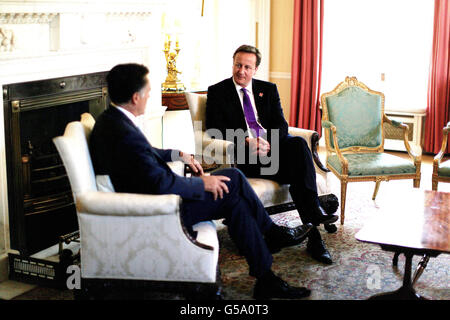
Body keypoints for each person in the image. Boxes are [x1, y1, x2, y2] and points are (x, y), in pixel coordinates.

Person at [89, 63, 315, 299]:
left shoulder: (113, 121)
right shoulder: (123, 132)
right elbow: (160, 184)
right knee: (234, 183)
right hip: (160, 209)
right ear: (136, 97)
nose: (149, 96)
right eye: (148, 91)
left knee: (235, 190)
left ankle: (266, 276)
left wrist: (178, 154)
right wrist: (202, 184)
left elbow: (146, 152)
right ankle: (271, 238)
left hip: (158, 198)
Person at [205, 45, 338, 265]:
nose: (241, 71)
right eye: (238, 65)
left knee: (296, 145)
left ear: (255, 69)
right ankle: (314, 224)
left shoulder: (268, 89)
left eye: (247, 67)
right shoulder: (218, 91)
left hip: (272, 151)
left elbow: (281, 124)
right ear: (233, 63)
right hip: (245, 158)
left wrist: (269, 144)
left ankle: (312, 232)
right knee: (299, 168)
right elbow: (212, 129)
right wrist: (246, 141)